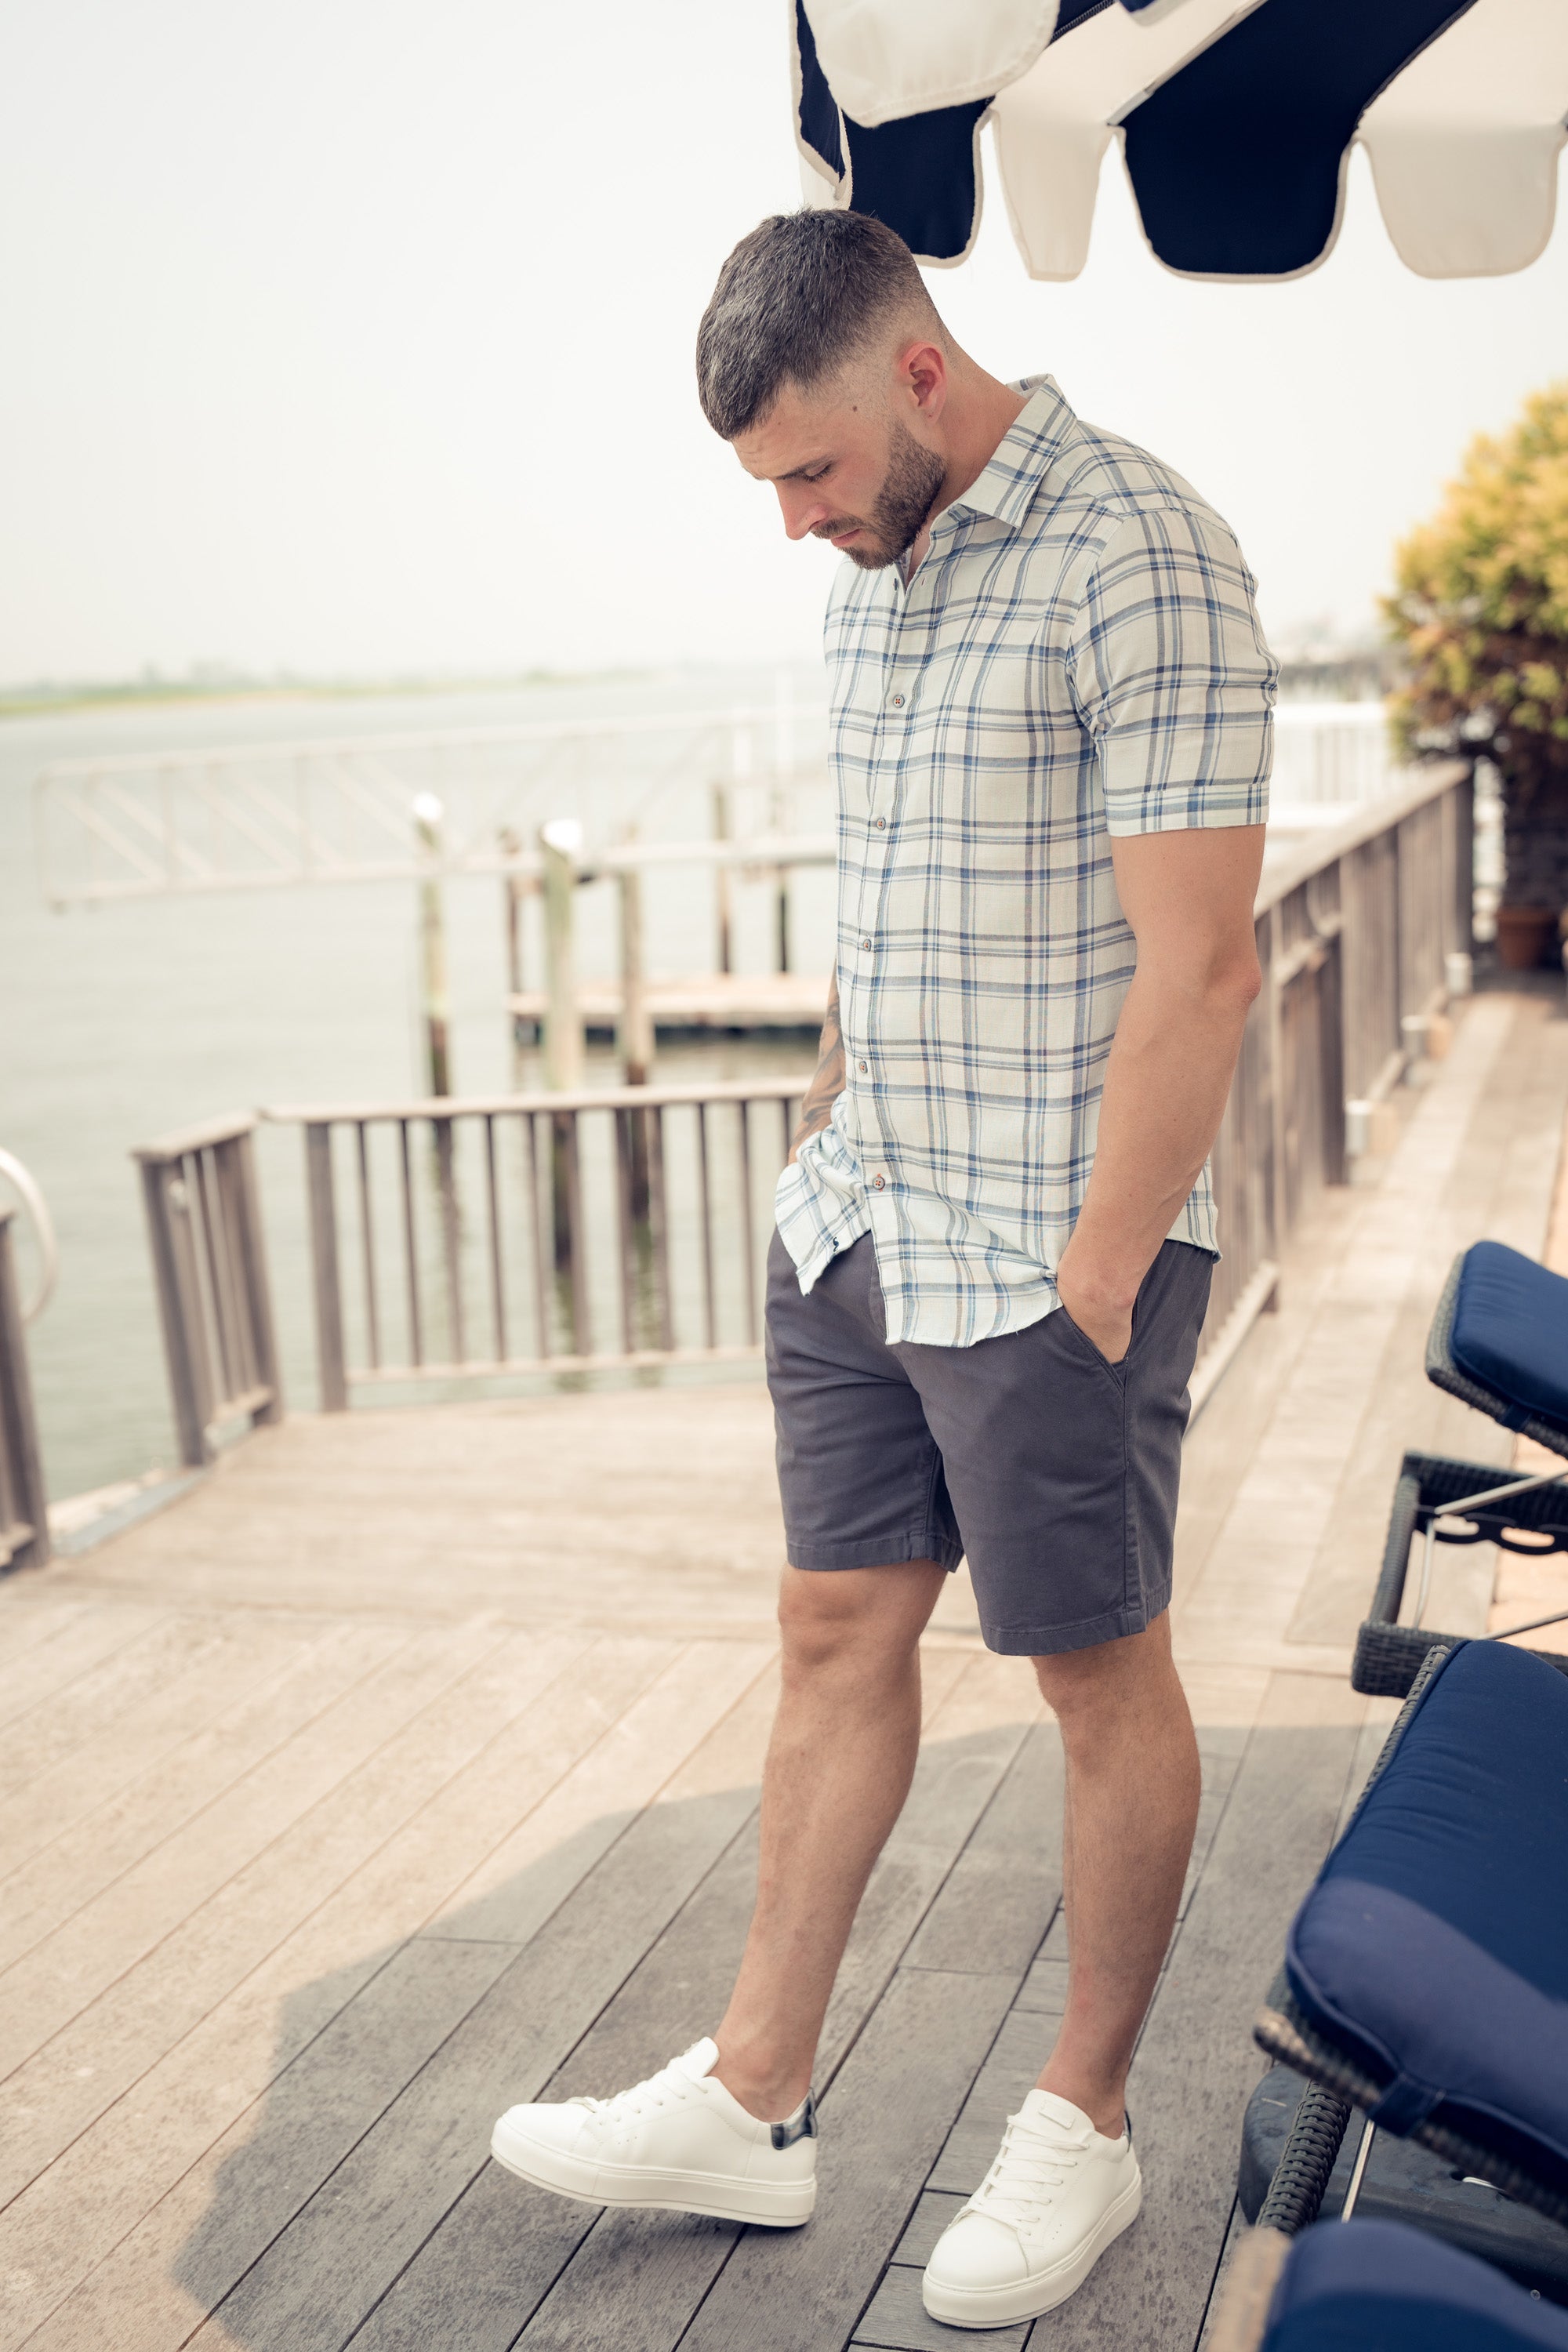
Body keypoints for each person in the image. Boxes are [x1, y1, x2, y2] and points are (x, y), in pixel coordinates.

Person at [491, 209, 1274, 2331]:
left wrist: (1102, 1283)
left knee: (1095, 1680)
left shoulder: (1144, 552)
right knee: (834, 1628)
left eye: (809, 472)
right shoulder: (873, 584)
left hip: (1046, 1246)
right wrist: (826, 1131)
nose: (795, 521)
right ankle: (754, 2096)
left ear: (918, 374)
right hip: (866, 1220)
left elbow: (1205, 964)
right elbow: (893, 894)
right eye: (767, 488)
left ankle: (1085, 2126)